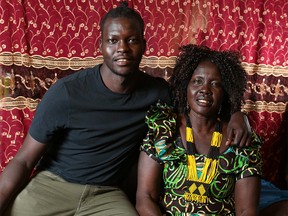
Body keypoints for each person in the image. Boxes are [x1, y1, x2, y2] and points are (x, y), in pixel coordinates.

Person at [0, 2, 251, 216]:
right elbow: (23, 161)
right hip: (54, 186)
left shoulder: (158, 93)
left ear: (144, 45)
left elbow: (201, 102)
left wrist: (238, 114)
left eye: (131, 40)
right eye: (113, 40)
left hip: (106, 193)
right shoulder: (66, 93)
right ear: (100, 45)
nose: (122, 48)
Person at [136, 44, 263, 216]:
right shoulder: (164, 128)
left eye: (215, 84)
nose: (205, 89)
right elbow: (145, 198)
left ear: (225, 93)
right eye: (197, 81)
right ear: (185, 86)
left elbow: (246, 210)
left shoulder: (240, 138)